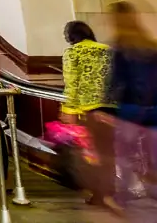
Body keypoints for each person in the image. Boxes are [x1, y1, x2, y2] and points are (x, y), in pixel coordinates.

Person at [106, 1, 157, 206]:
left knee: (124, 153)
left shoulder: (120, 45)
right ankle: (154, 190)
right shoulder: (151, 44)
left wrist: (106, 106)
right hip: (154, 108)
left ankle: (126, 192)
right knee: (155, 154)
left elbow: (117, 79)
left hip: (129, 108)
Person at [59, 20, 115, 207]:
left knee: (91, 153)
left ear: (70, 36)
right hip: (111, 109)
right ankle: (109, 191)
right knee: (108, 151)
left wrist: (68, 110)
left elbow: (72, 83)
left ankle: (97, 194)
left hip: (88, 110)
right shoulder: (107, 50)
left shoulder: (72, 53)